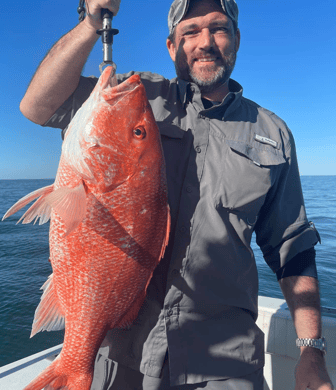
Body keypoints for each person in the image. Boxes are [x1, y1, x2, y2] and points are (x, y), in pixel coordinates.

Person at [19, 0, 334, 389]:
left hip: (225, 364)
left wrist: (312, 351)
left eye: (219, 28)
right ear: (171, 46)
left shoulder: (273, 133)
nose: (205, 42)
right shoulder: (136, 94)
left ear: (236, 39)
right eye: (190, 31)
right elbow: (38, 107)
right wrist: (91, 24)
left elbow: (293, 247)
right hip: (120, 355)